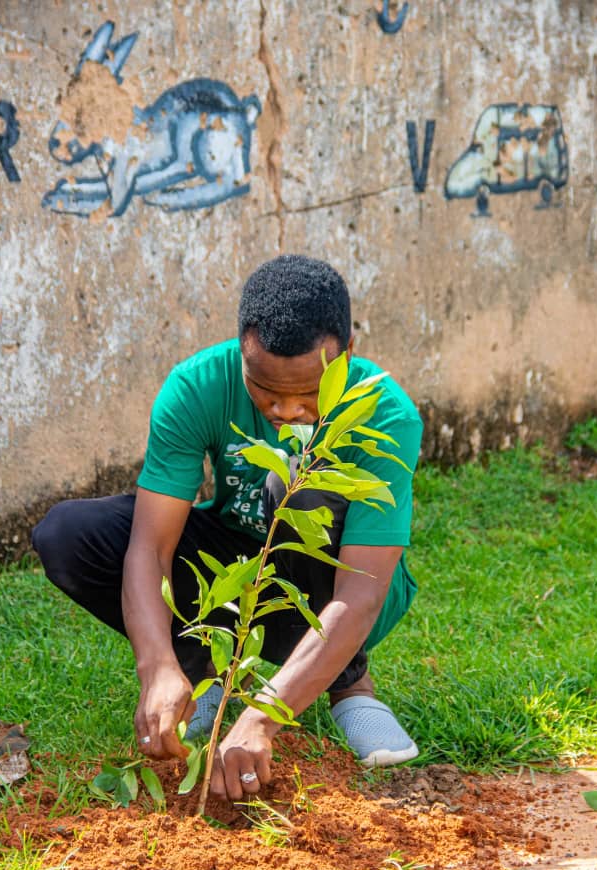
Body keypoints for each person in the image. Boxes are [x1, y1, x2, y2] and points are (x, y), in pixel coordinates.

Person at [33, 255, 424, 802]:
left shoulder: (386, 413)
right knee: (71, 533)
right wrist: (158, 667)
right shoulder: (198, 385)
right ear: (243, 348)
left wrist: (264, 717)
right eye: (264, 389)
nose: (286, 410)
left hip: (335, 577)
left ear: (347, 353)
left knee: (295, 487)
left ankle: (349, 687)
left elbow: (361, 592)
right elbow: (151, 547)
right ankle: (203, 679)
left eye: (309, 395)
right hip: (239, 564)